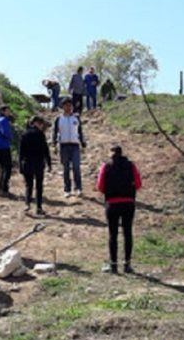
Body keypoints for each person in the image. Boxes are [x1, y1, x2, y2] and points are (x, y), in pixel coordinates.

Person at [96, 146, 142, 274]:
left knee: (113, 234)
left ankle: (114, 265)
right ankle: (127, 265)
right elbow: (138, 184)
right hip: (128, 202)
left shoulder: (106, 166)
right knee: (127, 233)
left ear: (111, 154)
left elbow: (100, 186)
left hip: (112, 203)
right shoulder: (131, 165)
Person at [52, 97, 86, 196]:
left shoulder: (76, 118)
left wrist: (83, 142)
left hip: (75, 145)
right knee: (66, 168)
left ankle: (78, 188)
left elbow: (80, 131)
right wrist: (54, 143)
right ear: (62, 106)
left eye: (70, 105)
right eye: (66, 105)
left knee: (76, 167)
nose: (68, 107)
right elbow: (55, 132)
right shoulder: (59, 119)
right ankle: (67, 189)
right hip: (64, 146)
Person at [18, 115, 52, 214]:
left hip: (27, 163)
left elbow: (21, 152)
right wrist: (49, 163)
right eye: (41, 123)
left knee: (29, 185)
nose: (42, 125)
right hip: (38, 163)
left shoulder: (24, 134)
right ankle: (39, 207)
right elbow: (46, 150)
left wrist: (20, 165)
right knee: (39, 186)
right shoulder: (41, 134)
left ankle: (27, 204)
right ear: (36, 123)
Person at [0, 105, 14, 196]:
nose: (9, 113)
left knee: (2, 167)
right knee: (7, 168)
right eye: (7, 111)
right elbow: (6, 133)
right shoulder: (4, 120)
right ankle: (3, 189)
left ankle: (0, 188)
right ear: (3, 111)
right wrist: (11, 137)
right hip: (4, 146)